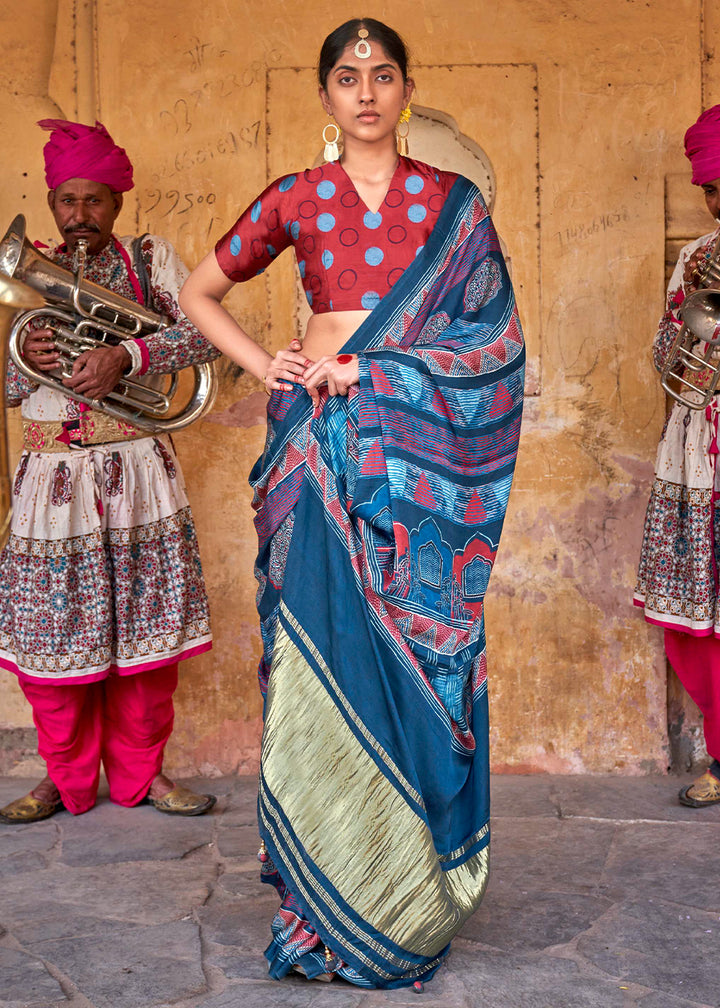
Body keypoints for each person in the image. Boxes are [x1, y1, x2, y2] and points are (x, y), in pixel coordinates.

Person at [180, 18, 525, 989]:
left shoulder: (452, 206)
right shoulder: (297, 198)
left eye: (381, 75)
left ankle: (401, 890)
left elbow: (492, 346)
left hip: (410, 466)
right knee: (312, 658)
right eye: (346, 77)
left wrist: (372, 369)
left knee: (409, 662)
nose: (365, 91)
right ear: (325, 94)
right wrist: (268, 363)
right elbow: (201, 291)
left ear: (408, 88)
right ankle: (314, 905)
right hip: (312, 452)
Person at [0, 119, 219, 824]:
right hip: (52, 480)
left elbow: (201, 334)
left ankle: (145, 776)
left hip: (137, 474)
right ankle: (60, 780)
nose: (79, 216)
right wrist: (22, 356)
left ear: (118, 201)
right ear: (52, 202)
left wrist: (128, 358)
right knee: (53, 639)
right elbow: (6, 389)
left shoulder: (151, 260)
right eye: (67, 201)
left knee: (147, 643)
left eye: (94, 201)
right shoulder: (23, 270)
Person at [635, 104, 720, 808]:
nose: (719, 203)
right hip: (700, 452)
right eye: (713, 191)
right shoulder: (696, 258)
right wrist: (695, 322)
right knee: (701, 621)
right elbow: (667, 363)